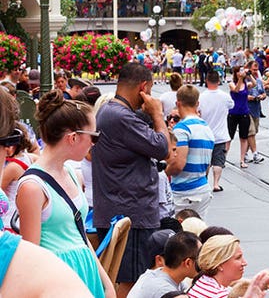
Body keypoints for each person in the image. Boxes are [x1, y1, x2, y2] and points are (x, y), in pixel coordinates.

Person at [16, 92, 115, 298]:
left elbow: (79, 234)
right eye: (93, 136)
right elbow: (30, 257)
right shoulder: (32, 186)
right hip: (57, 280)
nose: (94, 143)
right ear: (73, 137)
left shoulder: (71, 173)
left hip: (84, 272)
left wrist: (106, 283)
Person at [93, 62, 170, 296]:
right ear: (143, 88)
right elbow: (162, 147)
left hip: (121, 208)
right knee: (131, 282)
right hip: (131, 212)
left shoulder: (110, 112)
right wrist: (157, 114)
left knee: (121, 278)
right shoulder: (121, 117)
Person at [164, 85, 215, 218]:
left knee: (179, 235)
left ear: (178, 103)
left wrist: (162, 176)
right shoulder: (206, 127)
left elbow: (178, 164)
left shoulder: (182, 128)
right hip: (202, 188)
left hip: (184, 192)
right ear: (197, 103)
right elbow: (208, 165)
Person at [189, 234, 269, 298]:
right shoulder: (218, 294)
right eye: (238, 258)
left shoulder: (204, 282)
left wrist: (260, 283)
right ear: (219, 264)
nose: (245, 262)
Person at [128, 232, 201, 298]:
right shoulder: (164, 290)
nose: (203, 263)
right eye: (201, 258)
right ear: (188, 263)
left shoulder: (157, 273)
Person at [198, 72, 233, 193]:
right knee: (219, 160)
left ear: (207, 80)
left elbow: (198, 111)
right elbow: (231, 106)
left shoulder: (201, 97)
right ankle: (216, 184)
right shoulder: (225, 96)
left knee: (206, 160)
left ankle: (205, 182)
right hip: (220, 134)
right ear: (218, 81)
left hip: (206, 134)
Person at [226, 69, 252, 169]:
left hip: (244, 113)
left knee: (244, 137)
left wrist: (250, 75)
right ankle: (223, 158)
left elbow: (254, 84)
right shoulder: (232, 83)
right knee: (229, 137)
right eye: (239, 71)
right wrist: (241, 79)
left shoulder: (246, 84)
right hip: (233, 113)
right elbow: (236, 90)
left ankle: (242, 159)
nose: (241, 73)